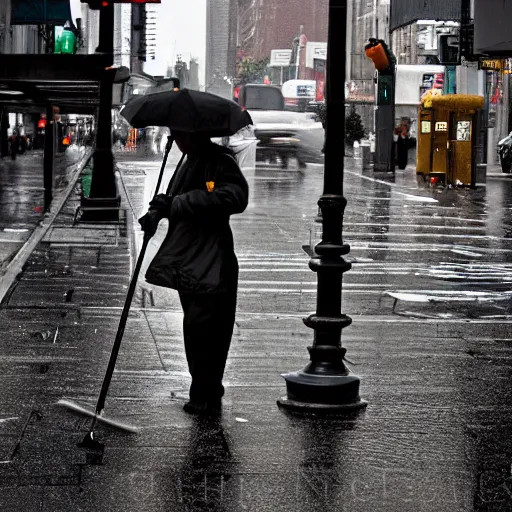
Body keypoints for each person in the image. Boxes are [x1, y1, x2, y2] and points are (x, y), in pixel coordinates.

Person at [139, 131, 249, 415]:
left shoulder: (220, 161)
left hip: (212, 258)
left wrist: (180, 203)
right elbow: (174, 200)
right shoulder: (188, 161)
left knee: (207, 328)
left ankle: (206, 389)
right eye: (175, 135)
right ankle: (205, 385)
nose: (178, 139)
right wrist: (157, 213)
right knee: (195, 328)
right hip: (189, 260)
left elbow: (235, 197)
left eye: (182, 134)